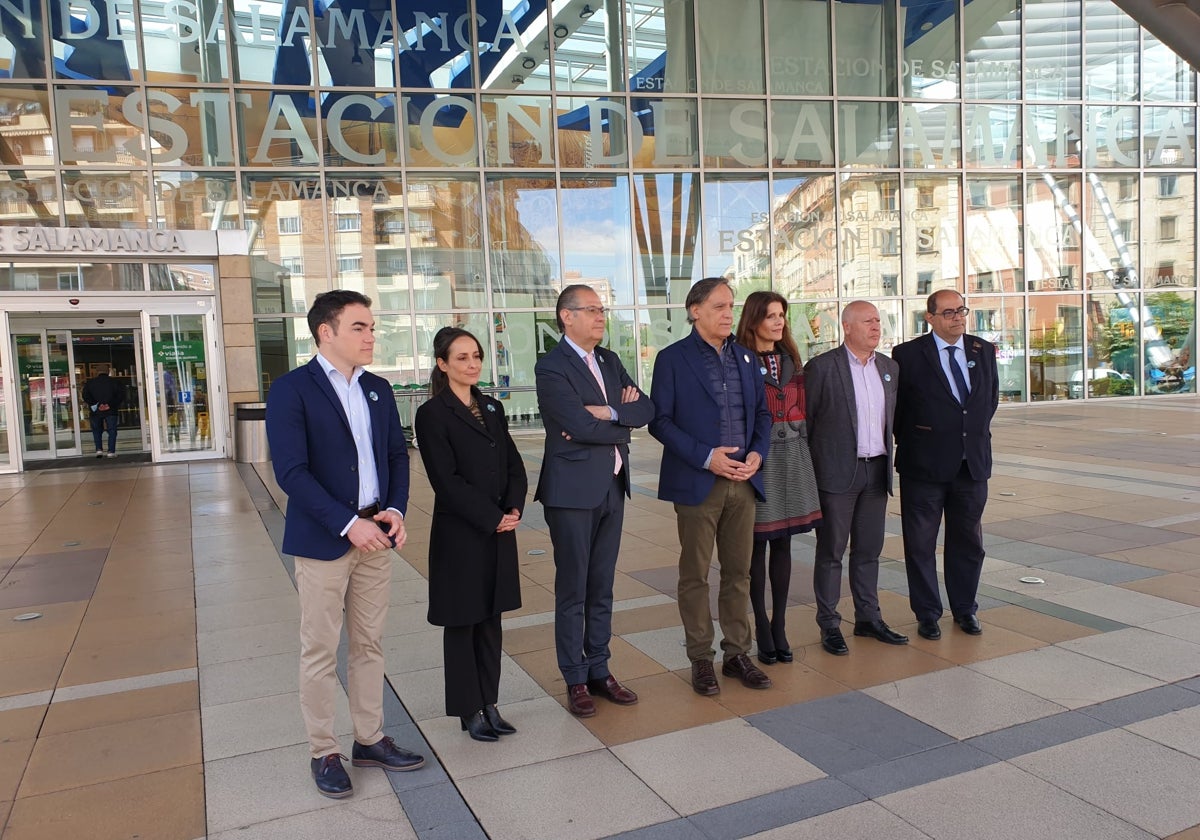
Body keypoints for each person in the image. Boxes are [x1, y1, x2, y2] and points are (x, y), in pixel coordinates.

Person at [265, 290, 424, 799]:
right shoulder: (293, 389)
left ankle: (370, 739)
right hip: (325, 539)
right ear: (325, 332)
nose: (371, 335)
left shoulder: (378, 388)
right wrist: (344, 523)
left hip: (376, 534)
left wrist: (394, 510)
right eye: (360, 327)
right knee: (318, 649)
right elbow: (291, 471)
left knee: (369, 643)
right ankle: (323, 751)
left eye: (372, 326)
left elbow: (397, 455)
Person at [649, 278, 773, 696]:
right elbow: (660, 421)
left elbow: (762, 413)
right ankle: (701, 658)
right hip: (699, 480)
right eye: (719, 306)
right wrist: (707, 456)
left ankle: (738, 653)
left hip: (744, 480)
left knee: (740, 573)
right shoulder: (672, 359)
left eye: (731, 306)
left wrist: (757, 454)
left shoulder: (745, 357)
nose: (728, 313)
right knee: (695, 575)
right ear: (694, 310)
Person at [535, 285, 654, 718]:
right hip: (570, 492)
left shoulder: (609, 360)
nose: (601, 316)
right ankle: (575, 677)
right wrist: (617, 421)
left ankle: (600, 668)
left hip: (611, 487)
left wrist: (606, 414)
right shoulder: (551, 367)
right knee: (574, 589)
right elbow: (574, 425)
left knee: (601, 586)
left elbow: (647, 408)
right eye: (592, 310)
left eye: (603, 309)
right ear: (567, 317)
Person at [415, 327, 527, 742]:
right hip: (462, 534)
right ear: (443, 365)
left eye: (476, 356)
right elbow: (446, 481)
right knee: (464, 622)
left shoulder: (492, 407)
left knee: (491, 620)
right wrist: (491, 516)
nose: (472, 364)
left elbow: (513, 463)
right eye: (461, 358)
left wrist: (514, 507)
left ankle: (490, 702)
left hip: (498, 530)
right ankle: (468, 708)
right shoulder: (432, 415)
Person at [892, 289, 998, 641]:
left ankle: (965, 609)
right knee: (920, 543)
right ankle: (927, 613)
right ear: (931, 318)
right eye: (949, 312)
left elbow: (988, 401)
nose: (958, 317)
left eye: (961, 310)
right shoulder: (907, 355)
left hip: (971, 465)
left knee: (968, 542)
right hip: (924, 466)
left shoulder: (983, 350)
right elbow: (898, 411)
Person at [805, 301, 908, 656]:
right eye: (868, 321)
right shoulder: (821, 368)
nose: (876, 327)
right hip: (836, 474)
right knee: (831, 552)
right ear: (847, 327)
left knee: (869, 551)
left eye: (878, 320)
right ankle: (830, 624)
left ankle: (868, 618)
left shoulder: (888, 367)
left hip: (876, 472)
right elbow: (808, 424)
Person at [733, 291, 821, 666]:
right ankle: (762, 627)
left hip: (794, 459)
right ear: (753, 319)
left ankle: (780, 623)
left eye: (781, 315)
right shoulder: (737, 359)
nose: (778, 321)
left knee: (784, 544)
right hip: (758, 459)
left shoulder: (792, 360)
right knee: (755, 547)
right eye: (770, 315)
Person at [82, 370, 125, 457]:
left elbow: (85, 396)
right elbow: (120, 396)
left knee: (97, 430)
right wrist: (109, 405)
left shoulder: (90, 383)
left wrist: (97, 405)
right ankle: (111, 451)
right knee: (112, 430)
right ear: (108, 371)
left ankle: (99, 450)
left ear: (97, 372)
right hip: (111, 410)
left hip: (96, 411)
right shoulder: (115, 382)